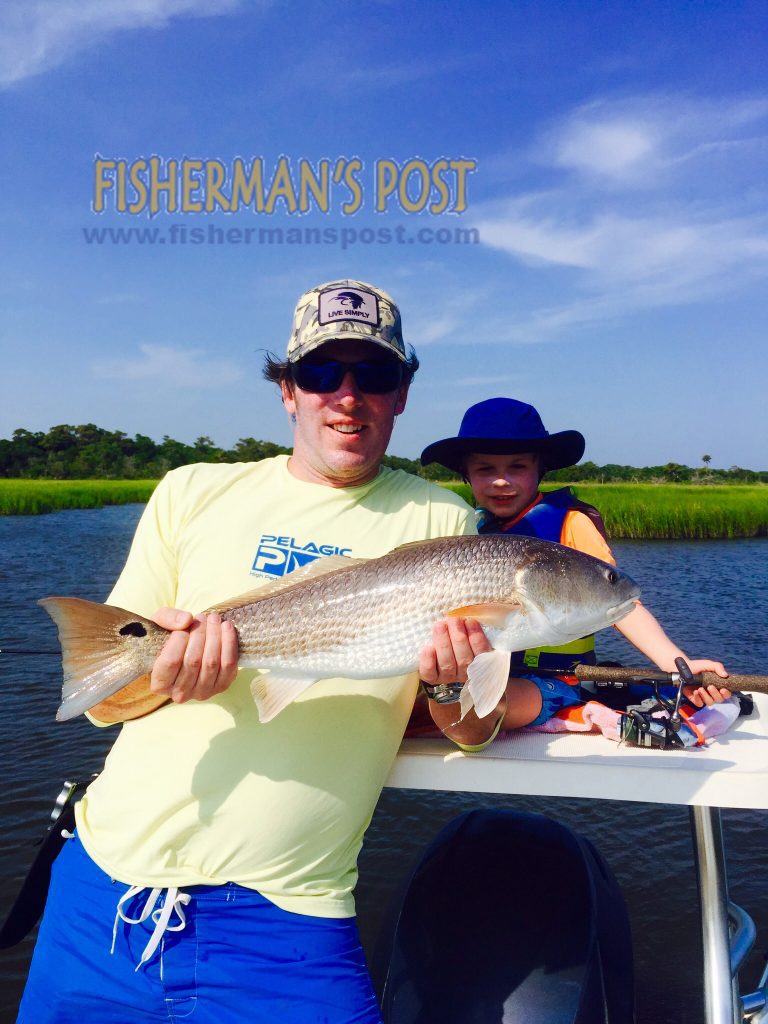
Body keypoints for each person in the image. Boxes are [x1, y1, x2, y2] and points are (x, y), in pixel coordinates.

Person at [18, 280, 494, 1024]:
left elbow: (467, 725)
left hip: (291, 920)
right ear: (286, 390)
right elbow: (106, 702)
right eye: (319, 374)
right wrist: (173, 678)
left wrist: (445, 688)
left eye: (373, 375)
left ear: (402, 393)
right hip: (102, 887)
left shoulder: (443, 521)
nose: (347, 396)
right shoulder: (191, 491)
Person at [418, 397, 731, 734]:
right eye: (485, 469)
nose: (501, 481)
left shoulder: (571, 523)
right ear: (466, 475)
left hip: (557, 681)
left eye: (517, 467)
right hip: (476, 669)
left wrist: (675, 663)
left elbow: (622, 606)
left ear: (540, 469)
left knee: (487, 707)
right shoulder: (467, 529)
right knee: (431, 703)